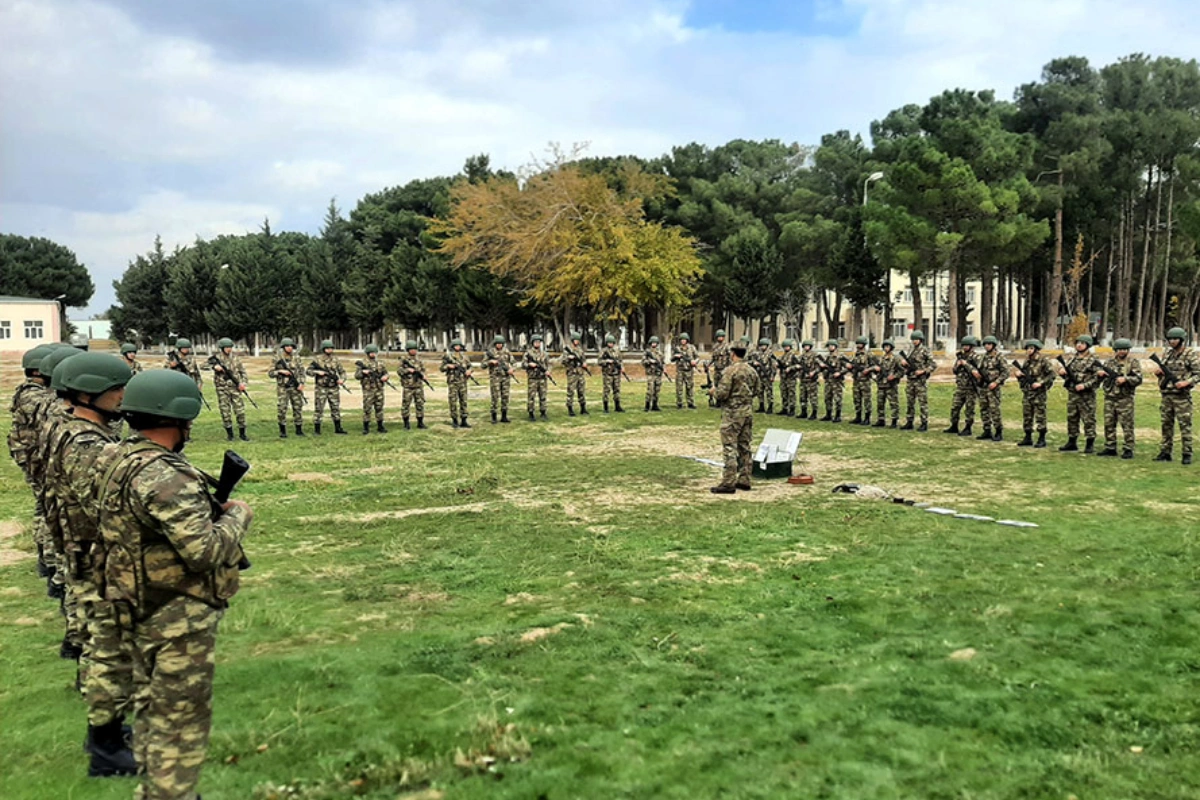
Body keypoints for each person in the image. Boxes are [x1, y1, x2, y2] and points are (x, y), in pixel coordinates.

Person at [94, 369, 252, 800]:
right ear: (179, 419)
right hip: (175, 614)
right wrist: (237, 515)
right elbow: (202, 551)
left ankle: (155, 789)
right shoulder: (166, 476)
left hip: (134, 600)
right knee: (180, 718)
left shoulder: (117, 459)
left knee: (150, 704)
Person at [43, 353, 137, 777]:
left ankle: (109, 730)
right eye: (117, 390)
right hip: (96, 555)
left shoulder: (77, 429)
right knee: (107, 648)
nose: (123, 396)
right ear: (87, 394)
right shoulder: (85, 443)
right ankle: (106, 747)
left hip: (87, 550)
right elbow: (104, 503)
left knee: (106, 644)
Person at [8, 344, 56, 577]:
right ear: (39, 371)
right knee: (48, 507)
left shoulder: (28, 392)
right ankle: (48, 559)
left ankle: (44, 555)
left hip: (32, 455)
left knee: (44, 506)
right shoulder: (34, 396)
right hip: (36, 458)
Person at [709, 343, 760, 494]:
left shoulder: (730, 371)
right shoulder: (752, 371)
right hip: (747, 412)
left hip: (732, 413)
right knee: (745, 446)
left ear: (733, 354)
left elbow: (722, 393)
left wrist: (713, 392)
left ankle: (728, 482)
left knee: (729, 446)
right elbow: (757, 389)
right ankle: (745, 479)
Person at [1154, 327, 1200, 464]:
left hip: (1182, 397)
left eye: (1175, 339)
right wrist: (1159, 372)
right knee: (1166, 425)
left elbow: (1198, 374)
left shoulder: (1190, 354)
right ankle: (1165, 452)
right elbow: (1163, 369)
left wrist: (1186, 382)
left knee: (1184, 425)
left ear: (1181, 339)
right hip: (1167, 395)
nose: (1172, 341)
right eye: (1170, 339)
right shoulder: (1167, 354)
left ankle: (1187, 453)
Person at [1096, 338, 1142, 458]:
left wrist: (1126, 379)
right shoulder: (1109, 363)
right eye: (1120, 349)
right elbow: (1101, 378)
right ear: (1115, 350)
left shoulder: (1133, 363)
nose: (1122, 351)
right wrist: (1100, 374)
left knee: (1127, 424)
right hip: (1110, 397)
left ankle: (1128, 448)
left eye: (1125, 349)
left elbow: (1138, 379)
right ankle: (1110, 447)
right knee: (1109, 423)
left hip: (1125, 398)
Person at [1055, 334, 1100, 453]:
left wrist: (1085, 385)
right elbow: (1068, 375)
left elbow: (1097, 378)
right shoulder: (1072, 358)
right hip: (1073, 393)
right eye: (1078, 343)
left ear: (1088, 345)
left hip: (1086, 395)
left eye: (1082, 343)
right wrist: (1062, 372)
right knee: (1072, 417)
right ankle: (1072, 441)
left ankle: (1090, 443)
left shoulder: (1093, 360)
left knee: (1088, 419)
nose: (1079, 345)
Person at [205, 337, 250, 442]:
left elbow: (243, 372)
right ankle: (230, 435)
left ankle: (242, 434)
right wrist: (214, 367)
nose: (229, 349)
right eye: (227, 347)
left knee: (240, 411)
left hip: (235, 388)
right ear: (222, 348)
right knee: (225, 412)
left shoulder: (236, 358)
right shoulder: (216, 358)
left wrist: (243, 383)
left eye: (230, 347)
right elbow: (203, 366)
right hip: (222, 389)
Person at [1015, 339, 1056, 448]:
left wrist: (1040, 383)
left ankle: (1041, 438)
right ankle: (1027, 437)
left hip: (1039, 393)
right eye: (1028, 348)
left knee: (1040, 416)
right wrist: (1019, 375)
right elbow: (1024, 376)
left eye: (1031, 348)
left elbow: (1052, 374)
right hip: (1028, 392)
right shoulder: (1027, 362)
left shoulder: (1043, 361)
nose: (1029, 350)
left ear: (1036, 350)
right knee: (1027, 415)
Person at [307, 340, 349, 435]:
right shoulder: (317, 360)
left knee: (335, 408)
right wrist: (317, 372)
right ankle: (317, 430)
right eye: (327, 348)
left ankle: (338, 428)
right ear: (323, 349)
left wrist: (342, 379)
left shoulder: (335, 360)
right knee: (319, 408)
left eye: (331, 348)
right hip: (321, 388)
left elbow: (342, 372)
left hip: (333, 387)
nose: (329, 350)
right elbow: (308, 371)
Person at [268, 337, 306, 438]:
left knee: (298, 407)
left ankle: (299, 429)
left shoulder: (297, 357)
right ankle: (283, 431)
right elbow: (270, 373)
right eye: (287, 346)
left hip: (295, 387)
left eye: (291, 346)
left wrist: (301, 383)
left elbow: (302, 371)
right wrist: (280, 371)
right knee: (282, 408)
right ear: (283, 347)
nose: (289, 348)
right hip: (283, 388)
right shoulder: (277, 358)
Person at [900, 330, 935, 431]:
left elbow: (933, 365)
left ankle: (924, 422)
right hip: (911, 379)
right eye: (913, 339)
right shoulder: (911, 350)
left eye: (916, 339)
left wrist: (923, 371)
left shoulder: (925, 350)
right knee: (910, 402)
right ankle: (909, 421)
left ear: (921, 340)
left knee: (922, 402)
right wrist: (905, 365)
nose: (914, 341)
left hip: (920, 381)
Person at [945, 336, 980, 436]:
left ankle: (968, 427)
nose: (965, 347)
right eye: (964, 345)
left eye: (967, 345)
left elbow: (978, 372)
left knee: (969, 409)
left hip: (971, 388)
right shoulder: (961, 357)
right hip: (960, 387)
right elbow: (955, 371)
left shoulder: (976, 357)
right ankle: (954, 425)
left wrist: (966, 364)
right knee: (955, 407)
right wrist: (958, 365)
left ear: (972, 346)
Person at [975, 336, 1007, 441]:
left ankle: (998, 431)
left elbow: (1005, 372)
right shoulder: (983, 357)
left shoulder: (999, 357)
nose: (987, 346)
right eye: (985, 344)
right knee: (984, 409)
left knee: (994, 410)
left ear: (993, 345)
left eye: (989, 344)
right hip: (983, 386)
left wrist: (996, 382)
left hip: (993, 387)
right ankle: (987, 430)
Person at [355, 344, 390, 434]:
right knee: (367, 409)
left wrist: (385, 377)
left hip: (379, 389)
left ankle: (380, 426)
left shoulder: (380, 363)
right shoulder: (362, 363)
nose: (373, 354)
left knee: (379, 408)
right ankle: (366, 427)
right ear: (367, 353)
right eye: (371, 353)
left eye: (374, 352)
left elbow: (386, 373)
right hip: (368, 390)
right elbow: (357, 376)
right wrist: (363, 373)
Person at [440, 338, 474, 428]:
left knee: (464, 401)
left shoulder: (465, 357)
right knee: (453, 401)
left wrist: (469, 371)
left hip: (463, 382)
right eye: (455, 345)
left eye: (458, 345)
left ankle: (464, 420)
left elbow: (471, 367)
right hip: (453, 382)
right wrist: (448, 366)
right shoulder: (448, 356)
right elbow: (441, 368)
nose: (457, 347)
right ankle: (454, 420)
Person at [397, 340, 429, 430]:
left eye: (415, 349)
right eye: (412, 349)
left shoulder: (419, 360)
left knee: (420, 404)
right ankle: (406, 424)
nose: (414, 351)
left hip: (418, 386)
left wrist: (424, 375)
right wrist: (407, 370)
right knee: (406, 405)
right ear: (408, 350)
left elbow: (423, 370)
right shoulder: (404, 360)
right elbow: (399, 371)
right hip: (408, 386)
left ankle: (420, 422)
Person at [486, 335, 515, 423]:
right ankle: (494, 416)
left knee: (505, 396)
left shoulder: (507, 352)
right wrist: (490, 362)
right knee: (495, 397)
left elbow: (514, 363)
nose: (499, 345)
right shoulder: (490, 352)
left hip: (505, 378)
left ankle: (504, 416)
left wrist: (511, 369)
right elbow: (483, 364)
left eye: (501, 343)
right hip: (495, 378)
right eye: (498, 343)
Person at [873, 340, 902, 428]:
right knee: (880, 403)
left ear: (891, 348)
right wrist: (876, 370)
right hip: (881, 384)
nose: (886, 348)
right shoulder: (881, 358)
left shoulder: (896, 358)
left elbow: (902, 370)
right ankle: (881, 420)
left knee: (893, 403)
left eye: (888, 346)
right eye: (885, 347)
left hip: (891, 385)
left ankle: (894, 421)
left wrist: (894, 376)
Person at [561, 331, 590, 416]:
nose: (577, 342)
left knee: (581, 391)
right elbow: (563, 361)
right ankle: (570, 408)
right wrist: (569, 358)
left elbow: (583, 359)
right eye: (576, 340)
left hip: (580, 373)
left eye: (578, 340)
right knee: (571, 391)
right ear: (573, 340)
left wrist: (584, 363)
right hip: (572, 373)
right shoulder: (568, 350)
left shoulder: (580, 350)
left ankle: (583, 408)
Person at [523, 334, 552, 419]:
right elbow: (523, 364)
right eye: (536, 342)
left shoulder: (544, 354)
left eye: (539, 342)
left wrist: (548, 371)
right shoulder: (528, 353)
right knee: (531, 396)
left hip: (542, 378)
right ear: (532, 343)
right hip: (533, 378)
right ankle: (531, 412)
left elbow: (549, 364)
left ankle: (543, 412)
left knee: (543, 396)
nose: (537, 344)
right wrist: (529, 364)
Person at [849, 336, 874, 425]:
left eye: (860, 343)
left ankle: (867, 418)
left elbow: (875, 366)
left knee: (866, 399)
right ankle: (858, 416)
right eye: (857, 344)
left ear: (863, 344)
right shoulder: (855, 354)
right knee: (856, 399)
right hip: (856, 380)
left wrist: (868, 370)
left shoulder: (869, 354)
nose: (858, 345)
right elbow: (852, 365)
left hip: (865, 380)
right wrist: (850, 367)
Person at [747, 338, 776, 414]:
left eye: (764, 345)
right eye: (761, 345)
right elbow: (749, 361)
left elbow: (774, 365)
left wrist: (772, 375)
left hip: (767, 375)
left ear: (767, 346)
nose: (763, 347)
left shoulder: (770, 354)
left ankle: (770, 406)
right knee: (760, 391)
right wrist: (754, 363)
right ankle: (761, 406)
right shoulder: (757, 354)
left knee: (769, 392)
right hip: (759, 376)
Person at [819, 340, 846, 423]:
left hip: (837, 381)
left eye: (832, 345)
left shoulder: (840, 356)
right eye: (829, 346)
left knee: (837, 398)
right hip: (828, 380)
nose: (830, 347)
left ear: (835, 346)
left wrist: (840, 373)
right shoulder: (827, 357)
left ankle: (838, 415)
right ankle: (828, 414)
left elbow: (848, 366)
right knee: (827, 398)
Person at [597, 334, 625, 413]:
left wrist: (622, 367)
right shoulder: (603, 351)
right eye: (609, 342)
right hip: (607, 374)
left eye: (612, 342)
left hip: (616, 373)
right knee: (606, 390)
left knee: (617, 389)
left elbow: (620, 360)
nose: (611, 344)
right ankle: (606, 407)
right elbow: (599, 362)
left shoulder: (617, 351)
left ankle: (617, 406)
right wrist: (607, 361)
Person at [672, 333, 699, 409]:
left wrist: (694, 361)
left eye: (684, 339)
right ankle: (679, 403)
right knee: (679, 387)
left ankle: (690, 403)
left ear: (687, 340)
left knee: (689, 387)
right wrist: (676, 356)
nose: (683, 341)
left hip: (689, 370)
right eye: (682, 339)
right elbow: (672, 359)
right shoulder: (677, 348)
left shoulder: (692, 348)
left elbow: (697, 357)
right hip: (680, 370)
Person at [775, 340, 799, 417]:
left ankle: (792, 409)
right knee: (784, 393)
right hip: (783, 377)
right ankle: (785, 408)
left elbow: (799, 365)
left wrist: (791, 368)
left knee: (791, 393)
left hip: (791, 378)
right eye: (784, 346)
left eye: (787, 346)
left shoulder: (793, 355)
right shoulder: (783, 355)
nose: (786, 348)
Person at [797, 340, 820, 419]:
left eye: (808, 346)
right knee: (803, 397)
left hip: (811, 380)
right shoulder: (801, 356)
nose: (806, 347)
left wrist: (814, 372)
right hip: (803, 379)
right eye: (805, 346)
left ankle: (814, 413)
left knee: (813, 397)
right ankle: (804, 412)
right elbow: (797, 364)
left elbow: (820, 366)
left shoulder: (814, 355)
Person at [641, 336, 665, 412]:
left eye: (655, 343)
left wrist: (664, 368)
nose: (654, 344)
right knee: (650, 390)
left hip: (658, 373)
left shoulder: (660, 352)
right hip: (650, 373)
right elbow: (643, 362)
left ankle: (655, 405)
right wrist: (650, 361)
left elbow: (663, 362)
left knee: (657, 390)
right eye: (652, 342)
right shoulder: (647, 352)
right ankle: (647, 405)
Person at [710, 329, 731, 407]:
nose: (720, 338)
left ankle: (724, 401)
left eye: (721, 337)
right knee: (716, 385)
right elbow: (713, 358)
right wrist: (709, 364)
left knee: (724, 385)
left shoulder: (727, 346)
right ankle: (717, 401)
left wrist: (730, 367)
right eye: (718, 337)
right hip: (717, 369)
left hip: (724, 368)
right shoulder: (715, 346)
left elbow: (730, 357)